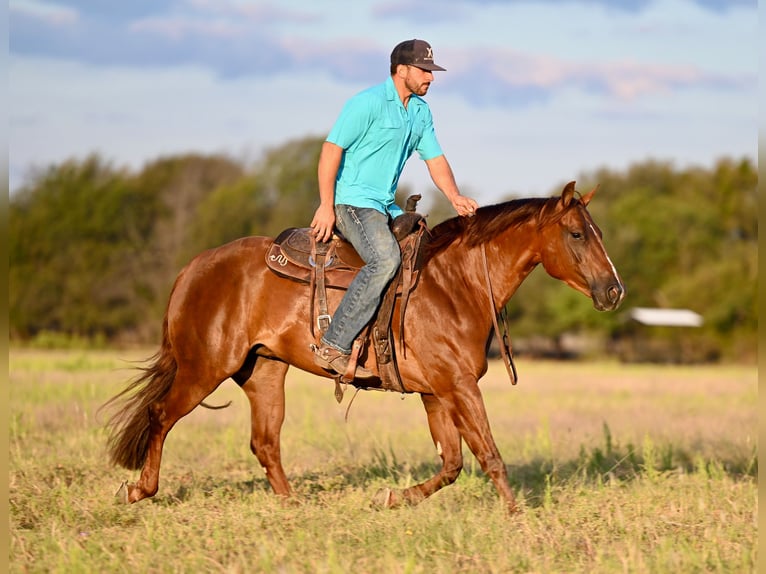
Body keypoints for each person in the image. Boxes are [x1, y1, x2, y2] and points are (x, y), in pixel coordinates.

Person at [310, 38, 479, 378]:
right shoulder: (366, 103)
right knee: (386, 259)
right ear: (401, 70)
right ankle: (333, 345)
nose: (431, 78)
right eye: (424, 71)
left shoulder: (420, 112)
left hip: (386, 207)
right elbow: (331, 151)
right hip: (353, 202)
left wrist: (454, 196)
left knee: (428, 251)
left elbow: (435, 158)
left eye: (432, 72)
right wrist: (327, 205)